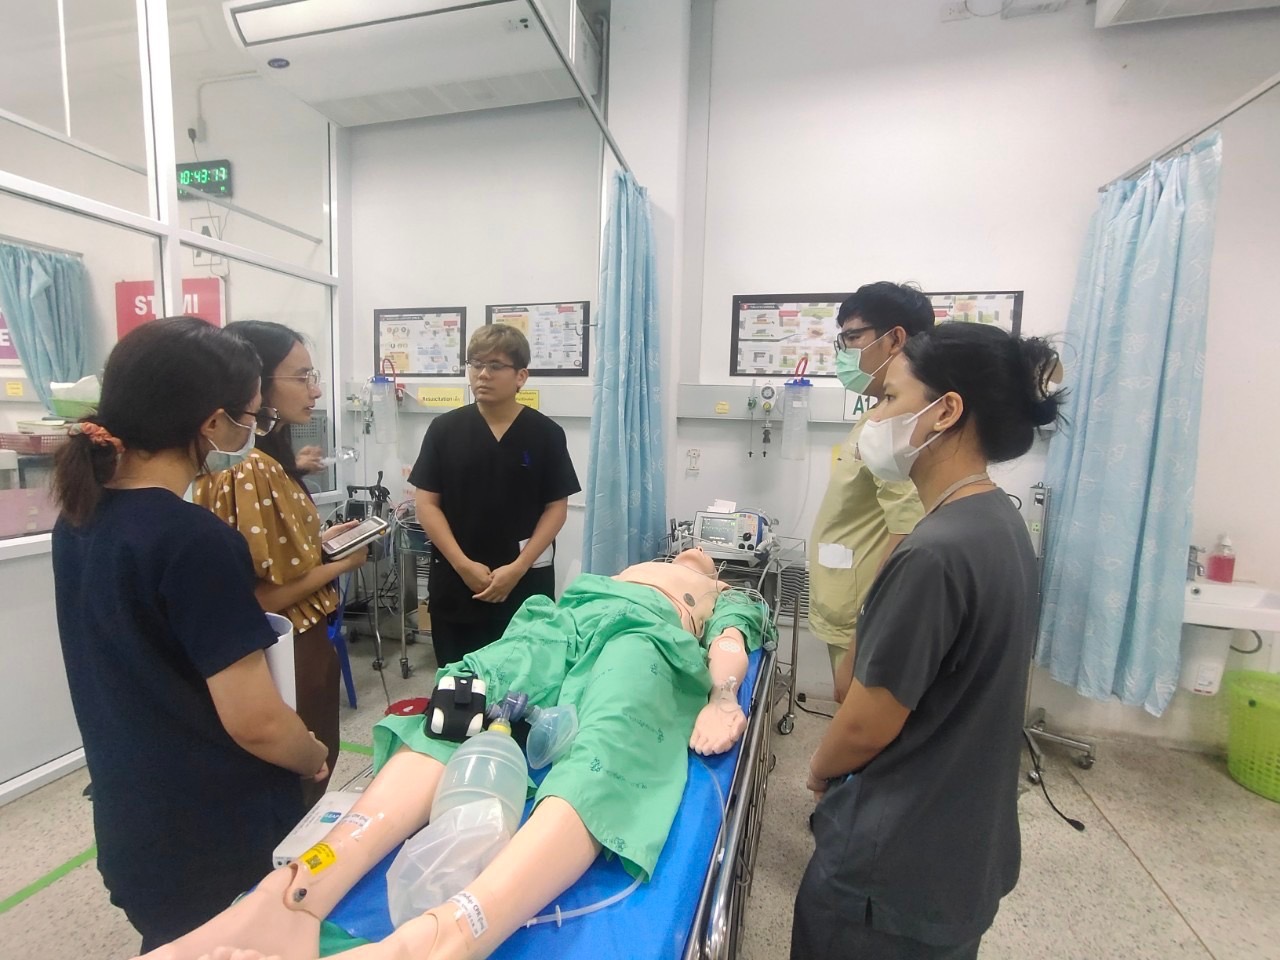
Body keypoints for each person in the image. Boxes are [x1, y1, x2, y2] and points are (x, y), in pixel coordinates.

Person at [134, 549, 774, 960]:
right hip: (564, 622)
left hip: (650, 637)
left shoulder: (721, 591)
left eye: (703, 554)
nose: (693, 551)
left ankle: (453, 933)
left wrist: (722, 697)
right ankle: (291, 895)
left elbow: (731, 641)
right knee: (464, 697)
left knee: (613, 737)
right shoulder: (623, 571)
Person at [49, 317, 330, 950]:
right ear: (212, 423)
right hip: (212, 829)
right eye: (251, 416)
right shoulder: (192, 541)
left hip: (134, 817)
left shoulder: (81, 517)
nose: (253, 430)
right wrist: (311, 754)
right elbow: (256, 721)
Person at [791, 322, 1066, 960]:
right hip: (959, 851)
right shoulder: (997, 522)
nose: (875, 417)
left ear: (945, 411)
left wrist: (820, 769)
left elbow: (867, 723)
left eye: (890, 397)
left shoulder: (935, 554)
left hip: (891, 870)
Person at [193, 321, 365, 804]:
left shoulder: (261, 461)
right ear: (257, 384)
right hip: (284, 647)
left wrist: (319, 542)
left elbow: (271, 557)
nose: (315, 390)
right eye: (302, 376)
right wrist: (341, 564)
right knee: (301, 777)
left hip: (295, 643)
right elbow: (261, 596)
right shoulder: (250, 468)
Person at [410, 324, 580, 667]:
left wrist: (517, 568)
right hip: (458, 581)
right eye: (475, 364)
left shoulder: (546, 434)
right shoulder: (444, 430)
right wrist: (463, 565)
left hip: (524, 581)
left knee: (523, 681)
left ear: (521, 376)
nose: (482, 374)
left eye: (495, 365)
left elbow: (556, 508)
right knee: (459, 682)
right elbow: (426, 505)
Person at [809, 282, 933, 701]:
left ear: (895, 339)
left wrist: (869, 625)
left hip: (862, 610)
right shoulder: (880, 415)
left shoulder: (899, 423)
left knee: (858, 717)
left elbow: (907, 531)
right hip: (849, 601)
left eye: (852, 337)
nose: (843, 352)